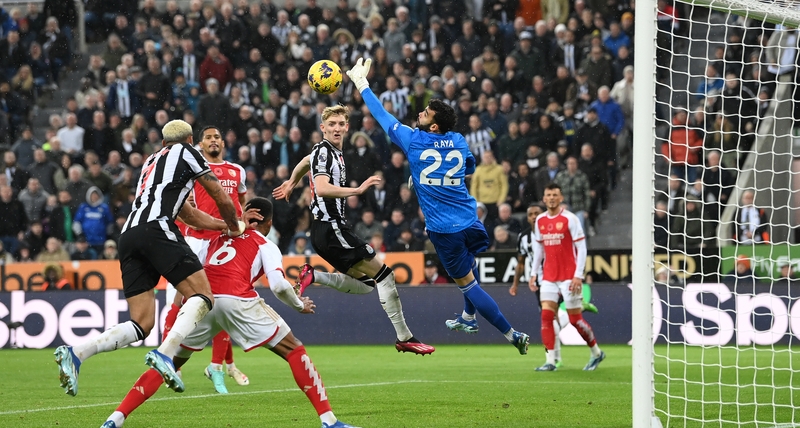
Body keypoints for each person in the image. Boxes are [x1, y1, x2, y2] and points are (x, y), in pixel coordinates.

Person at [98, 197, 365, 428]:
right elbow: (280, 286)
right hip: (238, 299)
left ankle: (115, 418)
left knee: (168, 363)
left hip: (203, 301)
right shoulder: (265, 244)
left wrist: (181, 308)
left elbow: (191, 273)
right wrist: (298, 306)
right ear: (269, 223)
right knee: (294, 350)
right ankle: (329, 420)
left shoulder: (216, 238)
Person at [344, 58, 530, 353]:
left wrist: (362, 84)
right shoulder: (458, 139)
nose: (419, 112)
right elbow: (468, 166)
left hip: (445, 229)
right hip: (471, 219)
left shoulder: (413, 140)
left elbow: (381, 115)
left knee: (468, 284)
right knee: (469, 267)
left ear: (432, 124)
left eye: (425, 112)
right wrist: (427, 176)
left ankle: (511, 334)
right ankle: (468, 316)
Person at [54, 119, 248, 397]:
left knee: (141, 323)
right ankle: (166, 355)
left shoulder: (151, 161)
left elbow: (189, 215)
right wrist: (234, 224)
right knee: (204, 296)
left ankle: (77, 353)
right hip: (157, 228)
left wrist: (221, 225)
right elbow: (219, 193)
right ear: (191, 140)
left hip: (129, 235)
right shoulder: (189, 152)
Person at [273, 104, 434, 355]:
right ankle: (405, 337)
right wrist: (357, 191)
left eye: (341, 124)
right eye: (332, 124)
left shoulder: (325, 151)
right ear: (323, 128)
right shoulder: (326, 152)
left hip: (327, 232)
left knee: (369, 284)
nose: (337, 128)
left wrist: (292, 181)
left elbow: (306, 162)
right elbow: (323, 187)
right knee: (386, 276)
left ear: (347, 127)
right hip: (332, 228)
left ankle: (315, 276)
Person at [164, 125, 250, 394]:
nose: (214, 141)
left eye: (217, 137)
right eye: (208, 138)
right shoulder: (193, 167)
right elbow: (179, 204)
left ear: (223, 142)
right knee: (179, 301)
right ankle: (169, 362)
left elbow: (242, 204)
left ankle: (216, 367)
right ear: (199, 144)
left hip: (224, 242)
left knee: (222, 303)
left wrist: (243, 226)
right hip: (196, 241)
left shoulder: (237, 170)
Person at [528, 182, 605, 371]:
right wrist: (533, 273)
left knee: (575, 320)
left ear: (561, 198)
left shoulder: (570, 219)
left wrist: (578, 275)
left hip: (569, 277)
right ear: (544, 198)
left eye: (555, 195)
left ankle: (596, 352)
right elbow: (539, 248)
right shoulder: (540, 221)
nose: (552, 198)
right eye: (548, 195)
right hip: (549, 277)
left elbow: (581, 247)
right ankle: (550, 361)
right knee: (546, 316)